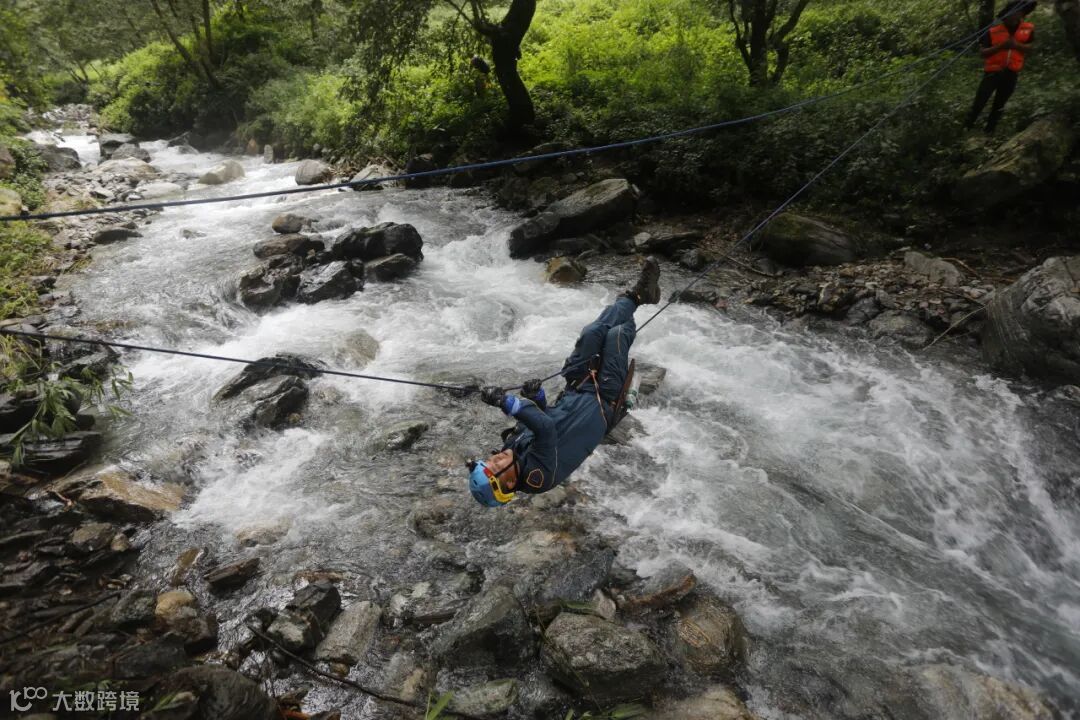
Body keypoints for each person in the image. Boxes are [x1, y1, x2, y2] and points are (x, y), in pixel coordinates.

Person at [467, 257, 662, 507]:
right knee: (617, 334)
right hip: (605, 399)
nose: (495, 458)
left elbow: (543, 415)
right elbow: (546, 430)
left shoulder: (511, 446)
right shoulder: (538, 477)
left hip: (577, 388)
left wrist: (536, 397)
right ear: (509, 482)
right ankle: (635, 302)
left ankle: (637, 296)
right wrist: (505, 402)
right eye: (496, 466)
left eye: (488, 461)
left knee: (592, 333)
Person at [965, 0, 1037, 134]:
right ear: (1006, 15)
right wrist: (1001, 47)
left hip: (1011, 73)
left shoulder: (1028, 28)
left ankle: (989, 133)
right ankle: (966, 128)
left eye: (1018, 12)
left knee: (999, 105)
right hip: (992, 72)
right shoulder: (993, 31)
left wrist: (1016, 45)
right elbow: (983, 53)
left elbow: (1031, 48)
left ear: (1021, 14)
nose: (1015, 15)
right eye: (1012, 13)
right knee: (979, 102)